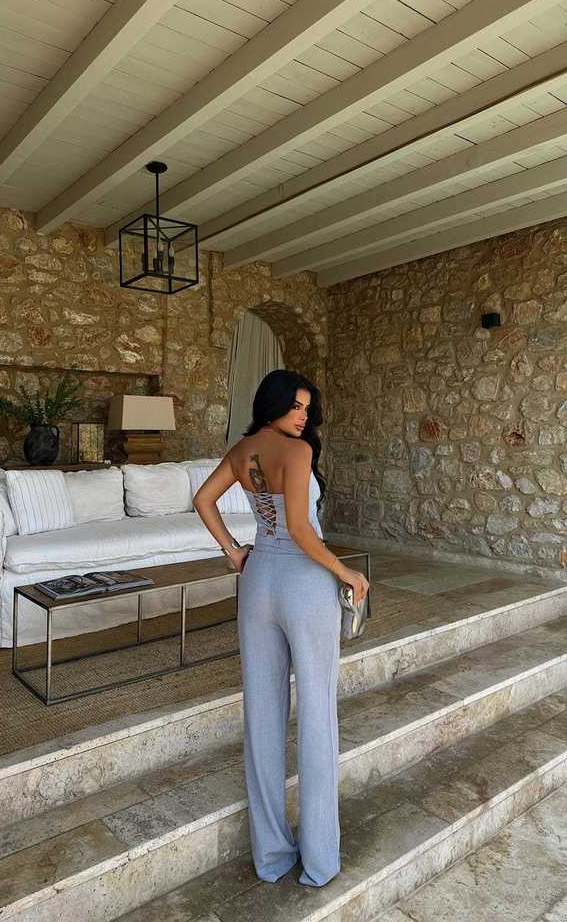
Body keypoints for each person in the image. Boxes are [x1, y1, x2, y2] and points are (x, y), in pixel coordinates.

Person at [192, 369, 370, 887]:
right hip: (304, 584)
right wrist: (346, 572)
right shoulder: (297, 452)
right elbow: (299, 528)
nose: (303, 416)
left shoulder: (242, 451)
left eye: (307, 409)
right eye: (295, 406)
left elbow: (203, 500)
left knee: (263, 714)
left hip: (258, 583)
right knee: (316, 713)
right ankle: (319, 861)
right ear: (272, 403)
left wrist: (234, 552)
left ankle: (271, 857)